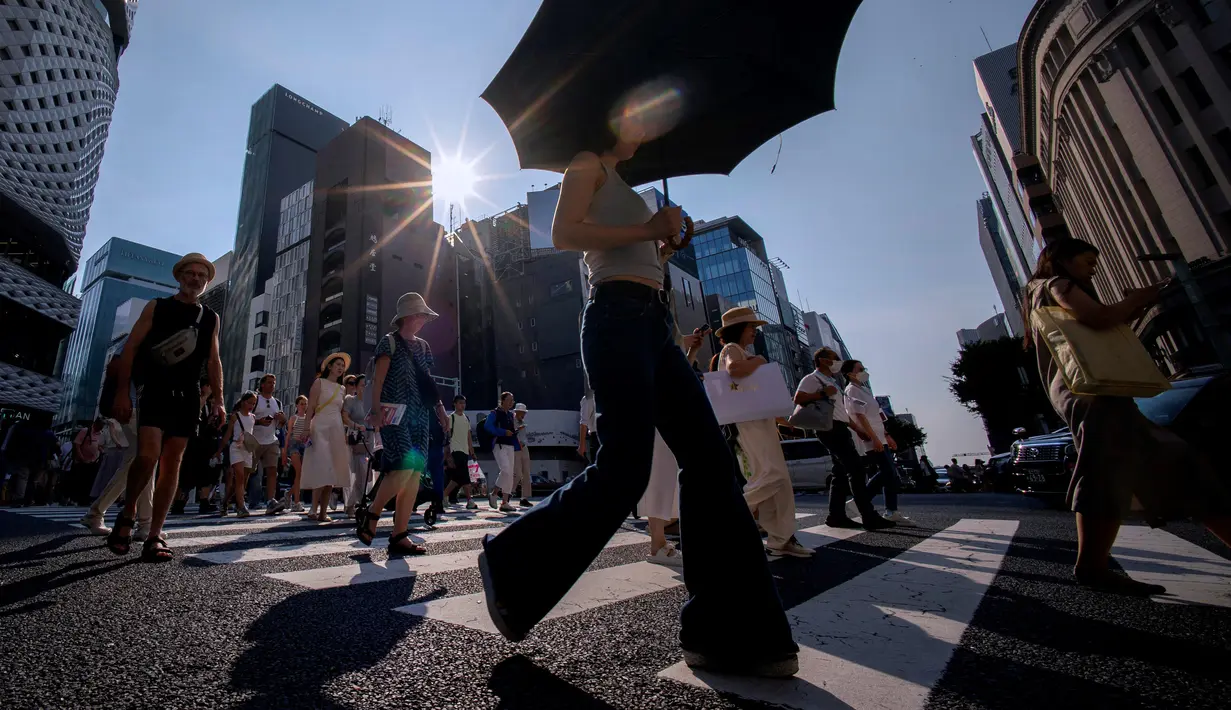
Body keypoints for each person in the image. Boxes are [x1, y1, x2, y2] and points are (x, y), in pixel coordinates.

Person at [476, 112, 799, 678]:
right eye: (638, 112)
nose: (649, 122)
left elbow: (638, 258)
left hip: (654, 322)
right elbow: (564, 234)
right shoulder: (587, 164)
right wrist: (648, 231)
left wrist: (666, 244)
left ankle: (732, 632)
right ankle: (511, 565)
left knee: (710, 460)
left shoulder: (628, 186)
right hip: (614, 318)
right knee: (624, 465)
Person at [1023, 238, 1231, 594]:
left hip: (1092, 394)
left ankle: (1092, 566)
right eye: (1088, 262)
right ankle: (1090, 567)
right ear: (1064, 261)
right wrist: (1140, 298)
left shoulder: (1035, 293)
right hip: (1093, 393)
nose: (1092, 270)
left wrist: (1131, 307)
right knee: (1109, 470)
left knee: (1174, 462)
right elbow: (1098, 318)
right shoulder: (1058, 284)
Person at [106, 253, 223, 562]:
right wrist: (122, 393)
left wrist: (219, 400)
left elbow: (213, 360)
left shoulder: (210, 317)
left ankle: (155, 534)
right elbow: (130, 348)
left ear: (206, 282)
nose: (196, 279)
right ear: (180, 276)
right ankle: (128, 512)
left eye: (202, 275)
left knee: (173, 462)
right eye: (191, 273)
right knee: (147, 455)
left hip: (188, 394)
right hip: (155, 389)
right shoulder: (157, 307)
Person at [356, 292, 449, 555]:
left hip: (420, 416)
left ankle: (399, 535)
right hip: (392, 415)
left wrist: (440, 409)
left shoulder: (423, 347)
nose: (424, 320)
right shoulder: (388, 343)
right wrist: (375, 411)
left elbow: (428, 381)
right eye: (421, 315)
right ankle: (372, 514)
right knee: (401, 469)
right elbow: (379, 381)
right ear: (408, 316)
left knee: (414, 475)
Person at [716, 307, 813, 558]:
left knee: (777, 483)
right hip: (750, 424)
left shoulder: (743, 352)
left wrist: (781, 418)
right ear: (739, 329)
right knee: (772, 476)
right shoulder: (732, 350)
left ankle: (781, 539)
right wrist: (759, 361)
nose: (755, 332)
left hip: (759, 421)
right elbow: (734, 370)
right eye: (751, 328)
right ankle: (727, 518)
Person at [795, 348, 894, 531]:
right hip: (829, 428)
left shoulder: (832, 381)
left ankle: (836, 515)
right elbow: (798, 398)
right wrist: (823, 393)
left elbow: (842, 412)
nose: (838, 362)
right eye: (835, 359)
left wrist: (857, 429)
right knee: (856, 469)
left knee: (839, 473)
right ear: (824, 361)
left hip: (841, 428)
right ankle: (869, 515)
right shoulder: (812, 379)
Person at [641, 326, 707, 567]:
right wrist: (680, 342)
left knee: (667, 477)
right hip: (655, 418)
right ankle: (657, 544)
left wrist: (689, 350)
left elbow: (678, 376)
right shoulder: (646, 343)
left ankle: (659, 542)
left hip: (667, 417)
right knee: (659, 477)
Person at [842, 360, 914, 526]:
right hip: (869, 438)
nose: (863, 371)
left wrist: (886, 435)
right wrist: (874, 438)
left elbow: (878, 414)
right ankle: (862, 500)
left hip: (880, 435)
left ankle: (891, 510)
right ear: (850, 373)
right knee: (888, 471)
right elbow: (859, 416)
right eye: (860, 369)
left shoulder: (864, 389)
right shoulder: (851, 390)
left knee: (890, 473)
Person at [300, 354, 351, 523]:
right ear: (329, 366)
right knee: (321, 466)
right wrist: (306, 428)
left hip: (336, 428)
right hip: (320, 426)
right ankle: (313, 509)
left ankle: (323, 511)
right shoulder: (319, 383)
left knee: (332, 469)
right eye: (337, 364)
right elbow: (311, 407)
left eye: (342, 366)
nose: (340, 368)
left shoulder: (342, 389)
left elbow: (342, 412)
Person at [172, 381, 222, 516]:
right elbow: (192, 415)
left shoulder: (213, 404)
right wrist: (204, 397)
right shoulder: (193, 399)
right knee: (186, 474)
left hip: (206, 444)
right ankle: (179, 503)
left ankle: (204, 501)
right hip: (192, 443)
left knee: (206, 475)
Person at [250, 374, 287, 516]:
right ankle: (241, 500)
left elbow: (280, 424)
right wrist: (259, 422)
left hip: (271, 440)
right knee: (249, 472)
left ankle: (270, 500)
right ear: (262, 385)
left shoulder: (276, 402)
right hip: (254, 440)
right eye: (269, 382)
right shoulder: (255, 399)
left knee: (272, 471)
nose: (272, 385)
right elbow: (245, 416)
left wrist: (282, 419)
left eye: (274, 382)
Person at [218, 392, 257, 517]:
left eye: (253, 403)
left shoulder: (253, 417)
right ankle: (241, 506)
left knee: (241, 481)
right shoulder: (235, 416)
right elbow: (228, 434)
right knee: (239, 476)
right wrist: (219, 451)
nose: (251, 405)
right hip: (236, 447)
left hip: (248, 449)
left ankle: (225, 502)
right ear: (243, 402)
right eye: (249, 402)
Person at [484, 393, 520, 513]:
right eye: (509, 400)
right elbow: (488, 426)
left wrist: (515, 432)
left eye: (512, 401)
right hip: (499, 444)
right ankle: (494, 494)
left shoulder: (510, 415)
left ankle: (505, 502)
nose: (511, 403)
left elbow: (511, 430)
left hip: (510, 445)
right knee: (505, 470)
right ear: (502, 401)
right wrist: (503, 432)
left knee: (509, 473)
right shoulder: (495, 413)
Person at [342, 374, 371, 519]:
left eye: (367, 385)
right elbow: (345, 417)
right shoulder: (350, 400)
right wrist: (356, 425)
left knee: (365, 472)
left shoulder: (371, 402)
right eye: (362, 385)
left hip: (368, 439)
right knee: (353, 472)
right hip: (354, 438)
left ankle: (362, 501)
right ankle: (350, 504)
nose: (365, 388)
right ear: (357, 387)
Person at [443, 395, 476, 509]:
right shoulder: (451, 417)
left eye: (464, 403)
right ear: (455, 404)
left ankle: (444, 496)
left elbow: (468, 435)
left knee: (459, 477)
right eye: (460, 403)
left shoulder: (466, 418)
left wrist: (471, 450)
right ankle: (469, 500)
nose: (462, 405)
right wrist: (447, 453)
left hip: (465, 450)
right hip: (455, 450)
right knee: (463, 476)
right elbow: (447, 435)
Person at [281, 395, 309, 513]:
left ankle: (290, 493)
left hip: (305, 446)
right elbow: (288, 436)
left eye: (305, 403)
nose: (303, 406)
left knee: (301, 475)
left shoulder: (309, 419)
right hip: (294, 445)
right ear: (297, 405)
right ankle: (296, 502)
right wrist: (284, 452)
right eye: (301, 403)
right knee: (299, 471)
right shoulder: (293, 418)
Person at [70, 419, 104, 505]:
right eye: (99, 426)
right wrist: (81, 457)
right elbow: (77, 445)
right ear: (95, 424)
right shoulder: (86, 431)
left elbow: (99, 446)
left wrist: (102, 451)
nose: (100, 428)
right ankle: (77, 498)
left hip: (94, 461)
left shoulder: (101, 434)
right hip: (83, 461)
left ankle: (86, 499)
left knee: (90, 481)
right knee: (80, 480)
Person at [512, 403, 533, 507]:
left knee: (526, 473)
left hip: (524, 448)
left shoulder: (523, 422)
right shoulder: (511, 421)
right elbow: (510, 435)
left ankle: (524, 498)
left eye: (524, 413)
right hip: (515, 449)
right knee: (517, 472)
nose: (523, 415)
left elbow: (524, 437)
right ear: (516, 412)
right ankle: (509, 491)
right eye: (522, 413)